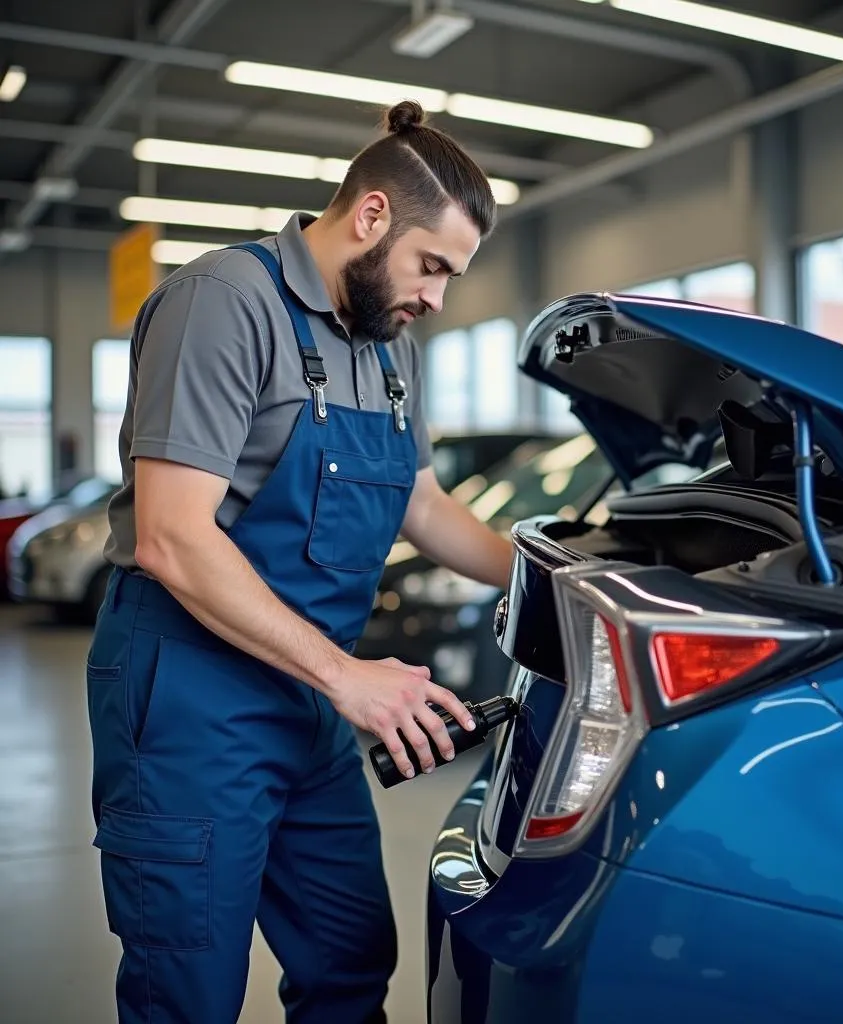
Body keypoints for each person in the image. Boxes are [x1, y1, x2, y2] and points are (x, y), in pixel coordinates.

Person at [85, 99, 514, 1024]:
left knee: (352, 960)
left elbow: (425, 506)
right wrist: (346, 678)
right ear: (369, 217)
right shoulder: (224, 302)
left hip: (307, 697)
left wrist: (550, 571)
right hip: (191, 699)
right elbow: (170, 533)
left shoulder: (387, 348)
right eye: (431, 265)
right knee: (187, 990)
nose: (438, 296)